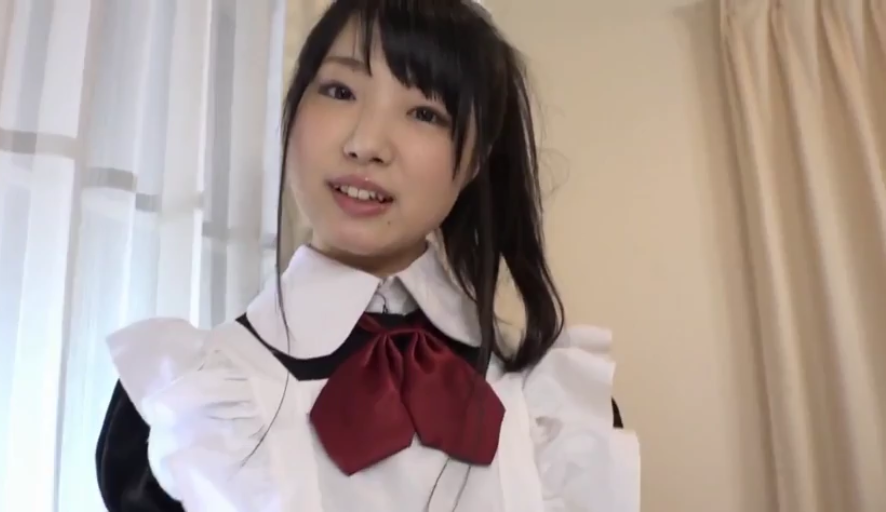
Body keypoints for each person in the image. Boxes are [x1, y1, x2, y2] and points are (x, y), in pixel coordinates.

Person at [95, 0, 640, 510]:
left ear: (477, 160)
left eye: (424, 112)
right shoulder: (182, 406)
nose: (366, 143)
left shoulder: (555, 413)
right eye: (339, 91)